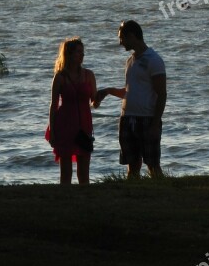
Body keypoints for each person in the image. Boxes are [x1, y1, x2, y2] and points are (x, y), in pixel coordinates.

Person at [97, 20, 166, 179]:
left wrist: (156, 124)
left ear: (132, 36)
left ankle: (161, 193)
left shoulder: (153, 60)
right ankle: (133, 193)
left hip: (147, 119)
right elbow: (129, 91)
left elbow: (162, 94)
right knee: (132, 165)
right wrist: (108, 91)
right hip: (127, 118)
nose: (120, 42)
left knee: (153, 164)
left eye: (122, 38)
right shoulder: (130, 61)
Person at [46, 37, 99, 185]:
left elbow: (94, 102)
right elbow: (54, 105)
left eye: (83, 52)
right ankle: (66, 200)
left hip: (84, 124)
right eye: (78, 52)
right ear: (69, 54)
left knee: (84, 172)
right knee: (66, 172)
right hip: (64, 125)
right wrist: (53, 130)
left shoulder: (89, 75)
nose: (82, 55)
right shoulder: (60, 77)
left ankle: (84, 200)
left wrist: (106, 92)